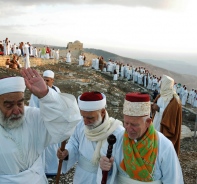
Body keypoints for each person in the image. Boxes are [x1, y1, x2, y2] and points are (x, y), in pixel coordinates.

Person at [0, 68, 81, 183]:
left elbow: (68, 121)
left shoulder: (31, 117)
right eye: (9, 106)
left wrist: (46, 95)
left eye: (20, 103)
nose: (17, 111)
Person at [99, 92, 184, 184]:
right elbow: (107, 173)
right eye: (126, 123)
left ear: (148, 122)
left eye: (134, 125)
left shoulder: (164, 146)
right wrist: (107, 167)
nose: (128, 128)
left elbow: (173, 180)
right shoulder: (116, 140)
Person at [57, 91, 124, 184]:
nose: (85, 122)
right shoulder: (80, 124)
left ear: (102, 112)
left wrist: (110, 168)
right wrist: (66, 152)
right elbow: (74, 143)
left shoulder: (117, 132)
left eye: (90, 118)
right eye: (83, 116)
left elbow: (122, 163)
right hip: (81, 177)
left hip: (105, 179)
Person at [29, 70, 62, 177]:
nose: (45, 82)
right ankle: (43, 170)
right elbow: (33, 108)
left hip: (55, 125)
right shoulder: (36, 93)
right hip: (42, 124)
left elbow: (61, 106)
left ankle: (53, 169)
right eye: (44, 80)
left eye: (47, 80)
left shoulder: (57, 90)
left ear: (52, 80)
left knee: (53, 147)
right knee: (43, 148)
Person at [151, 75, 182, 155]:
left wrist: (158, 109)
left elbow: (172, 117)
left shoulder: (174, 100)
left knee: (161, 148)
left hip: (165, 127)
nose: (160, 84)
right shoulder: (161, 95)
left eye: (162, 83)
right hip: (156, 122)